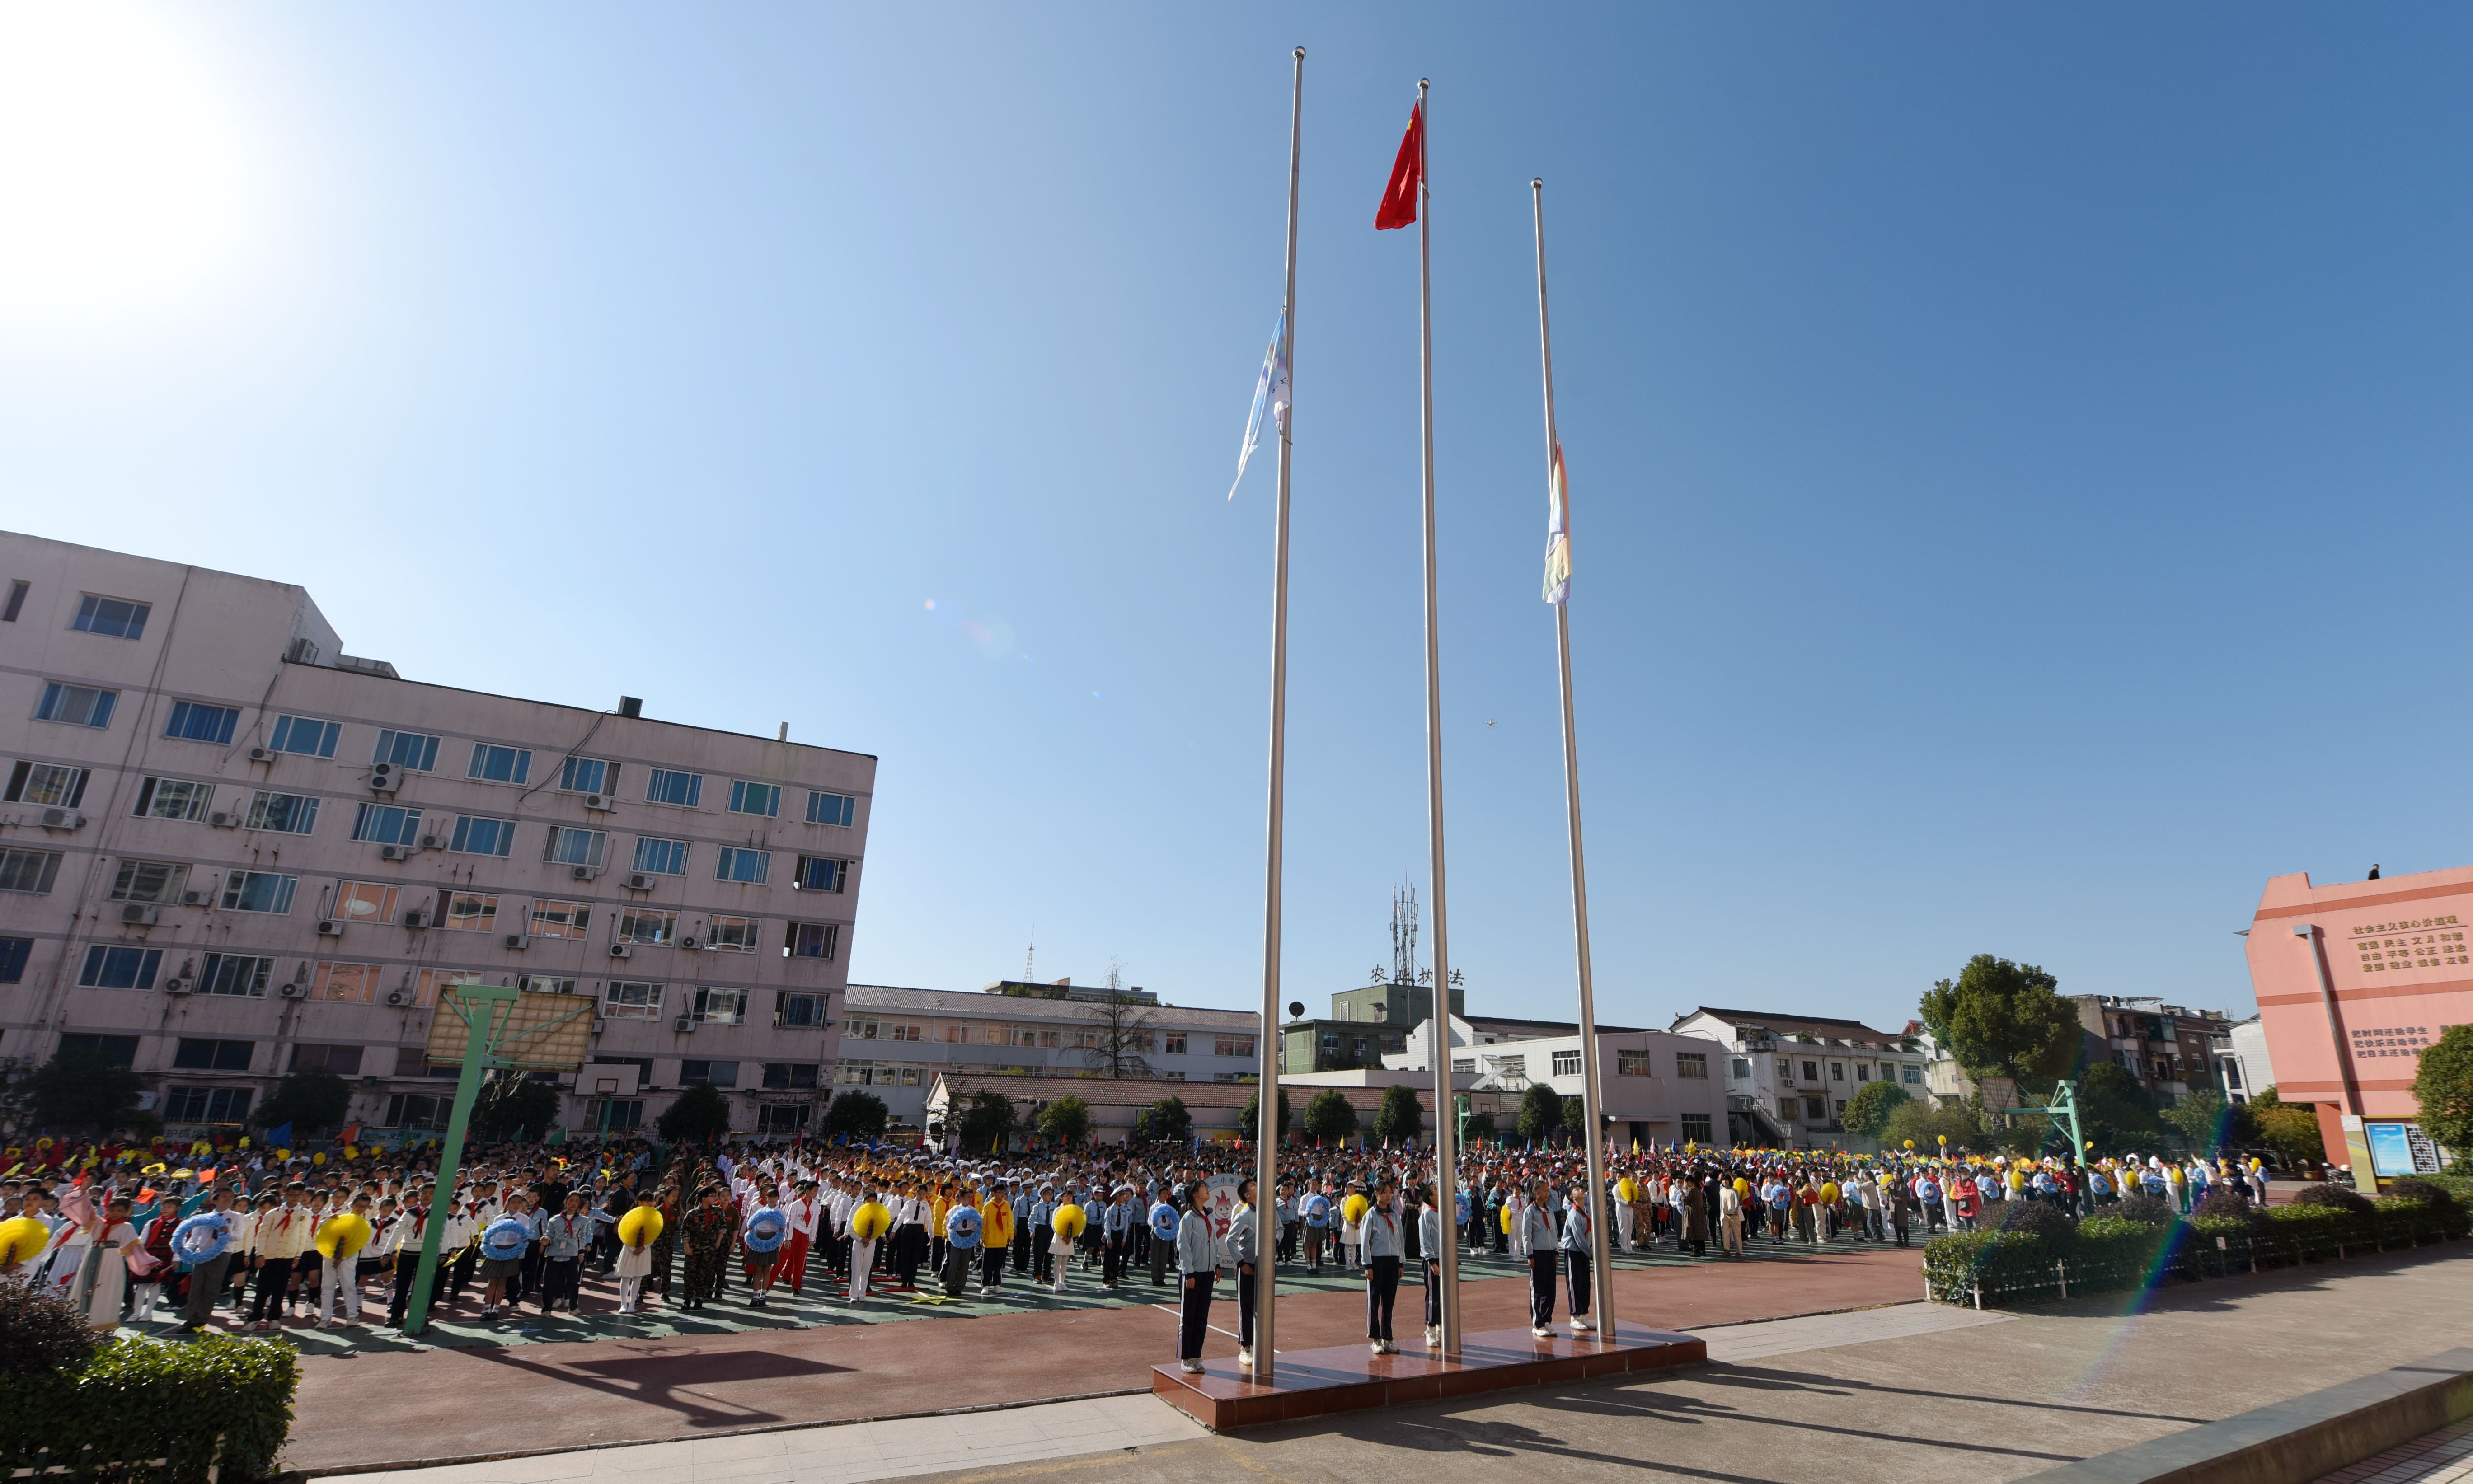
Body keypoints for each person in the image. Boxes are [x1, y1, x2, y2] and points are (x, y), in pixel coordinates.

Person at [1173, 1187, 1217, 1375]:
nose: (1207, 1190)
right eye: (1203, 1188)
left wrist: (1216, 1265)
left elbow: (1214, 1242)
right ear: (1194, 1194)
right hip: (1192, 1274)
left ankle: (1196, 1355)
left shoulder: (1209, 1216)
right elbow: (1183, 1247)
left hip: (1207, 1273)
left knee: (1201, 1317)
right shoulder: (1188, 1219)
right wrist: (1189, 1274)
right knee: (1188, 1318)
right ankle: (1186, 1358)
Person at [1514, 1179, 1558, 1339]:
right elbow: (1527, 1235)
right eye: (1544, 1190)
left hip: (1550, 1253)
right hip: (1538, 1253)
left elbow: (1554, 1232)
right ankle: (1537, 1323)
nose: (1547, 1193)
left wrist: (1556, 1252)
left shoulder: (1550, 1211)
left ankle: (1546, 1320)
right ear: (1536, 1192)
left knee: (1550, 1290)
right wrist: (1530, 1255)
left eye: (1548, 1191)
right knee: (1537, 1290)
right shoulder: (1530, 1211)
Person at [1228, 1178, 1260, 1371]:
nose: (1258, 1186)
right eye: (1253, 1186)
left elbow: (1279, 1229)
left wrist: (1274, 1242)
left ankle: (1260, 1344)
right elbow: (1230, 1240)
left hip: (1265, 1265)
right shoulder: (1244, 1215)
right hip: (1248, 1266)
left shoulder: (1268, 1210)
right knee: (1246, 1307)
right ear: (1247, 1195)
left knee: (1262, 1308)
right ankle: (1245, 1346)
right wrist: (1241, 1264)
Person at [1558, 1182, 1595, 1335]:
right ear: (1572, 1197)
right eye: (1577, 1190)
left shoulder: (1585, 1211)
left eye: (1581, 1189)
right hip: (1574, 1252)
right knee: (1575, 1284)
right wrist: (1590, 1253)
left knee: (1584, 1283)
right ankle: (1575, 1316)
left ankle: (1583, 1314)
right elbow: (1578, 1237)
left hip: (1584, 1252)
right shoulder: (1574, 1214)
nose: (1581, 1190)